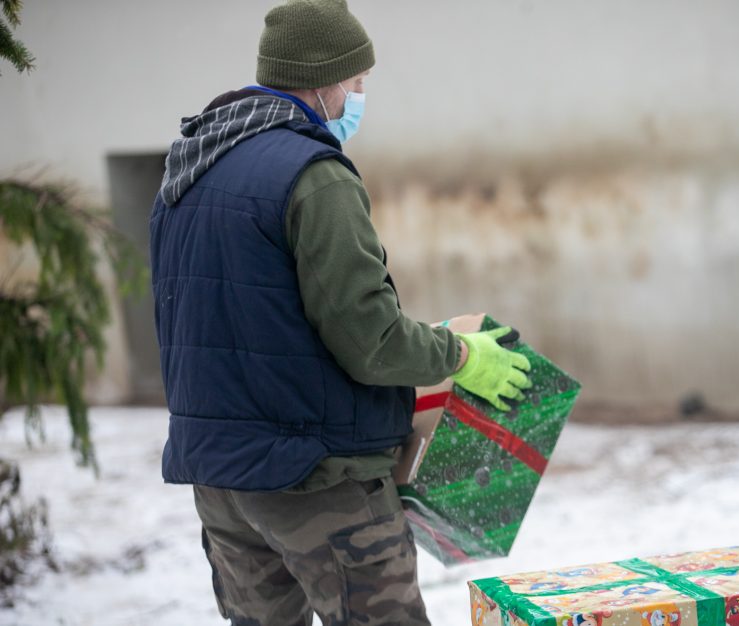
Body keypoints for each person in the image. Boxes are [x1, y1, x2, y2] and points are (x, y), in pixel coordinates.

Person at [149, 1, 532, 624]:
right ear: (322, 81)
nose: (358, 97)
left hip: (221, 481)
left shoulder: (190, 169)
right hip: (317, 481)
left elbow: (240, 324)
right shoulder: (314, 176)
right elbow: (371, 340)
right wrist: (462, 357)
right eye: (357, 83)